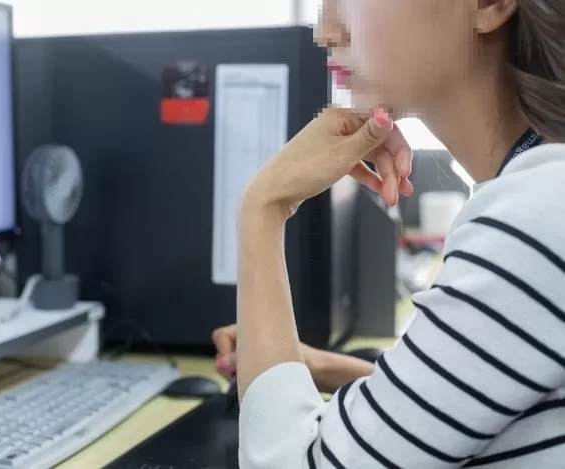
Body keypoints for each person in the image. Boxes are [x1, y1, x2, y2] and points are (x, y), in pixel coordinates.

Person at [212, 0, 565, 467]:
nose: (326, 30)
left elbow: (289, 462)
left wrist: (264, 205)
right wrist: (325, 368)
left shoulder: (533, 216)